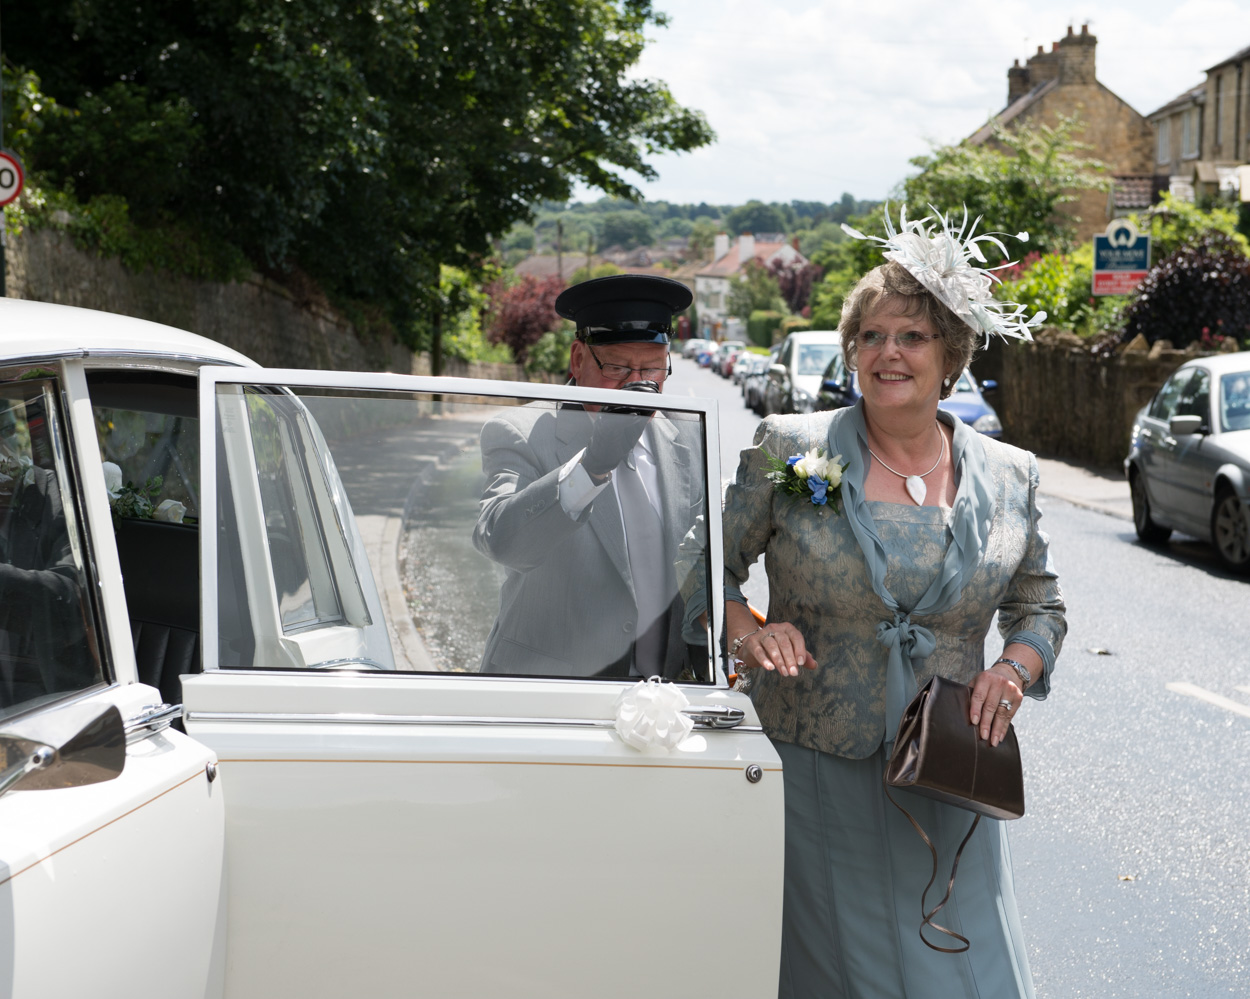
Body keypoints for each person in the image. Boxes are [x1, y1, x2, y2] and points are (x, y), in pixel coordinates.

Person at [720, 208, 1066, 998]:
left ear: (950, 355)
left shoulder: (1010, 474)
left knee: (963, 966)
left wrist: (1013, 669)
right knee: (832, 964)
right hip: (814, 763)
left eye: (910, 336)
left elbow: (1039, 607)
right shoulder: (792, 449)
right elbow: (704, 569)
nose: (887, 353)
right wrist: (747, 631)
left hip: (945, 766)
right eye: (870, 336)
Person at [473, 274, 706, 678]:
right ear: (578, 358)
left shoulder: (687, 432)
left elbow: (700, 558)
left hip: (663, 694)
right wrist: (592, 465)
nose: (637, 387)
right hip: (553, 689)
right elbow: (500, 540)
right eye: (618, 367)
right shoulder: (520, 431)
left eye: (652, 369)